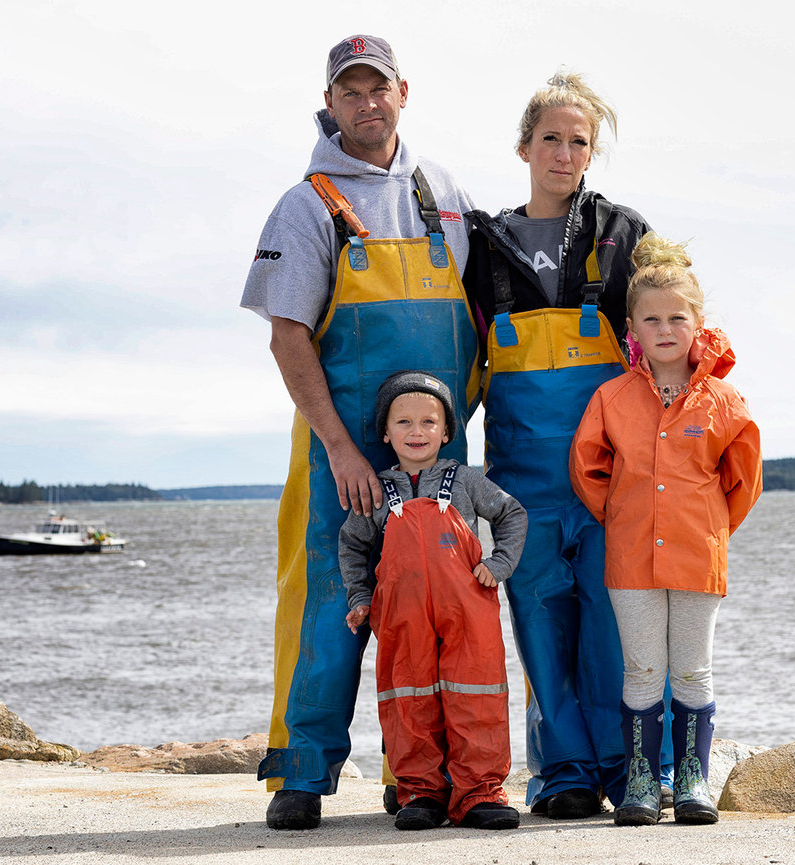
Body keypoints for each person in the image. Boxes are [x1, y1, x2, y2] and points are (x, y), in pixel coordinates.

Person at [240, 34, 480, 831]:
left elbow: (477, 315)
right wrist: (341, 448)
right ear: (330, 102)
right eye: (350, 90)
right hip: (338, 451)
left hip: (437, 451)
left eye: (378, 87)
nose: (366, 102)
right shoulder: (305, 204)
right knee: (326, 605)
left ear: (403, 92)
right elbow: (287, 337)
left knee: (431, 609)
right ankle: (301, 771)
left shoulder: (443, 192)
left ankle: (417, 776)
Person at [462, 71, 656, 818]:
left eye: (579, 142)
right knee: (540, 623)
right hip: (520, 483)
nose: (564, 153)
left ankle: (631, 770)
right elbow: (459, 359)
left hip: (611, 476)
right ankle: (563, 773)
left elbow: (669, 332)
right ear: (523, 147)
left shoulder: (623, 234)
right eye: (551, 138)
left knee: (612, 624)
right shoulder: (482, 246)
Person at [570, 232, 763, 826]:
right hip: (630, 558)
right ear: (631, 327)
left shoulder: (724, 402)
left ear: (698, 323)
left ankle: (692, 781)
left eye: (677, 317)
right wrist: (624, 517)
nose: (665, 329)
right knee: (642, 670)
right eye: (651, 319)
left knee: (693, 669)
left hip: (698, 557)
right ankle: (641, 782)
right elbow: (588, 469)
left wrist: (709, 529)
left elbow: (744, 481)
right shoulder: (612, 398)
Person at [340, 371, 527, 831]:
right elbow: (352, 545)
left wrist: (500, 564)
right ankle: (421, 793)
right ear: (386, 432)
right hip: (402, 618)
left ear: (446, 432)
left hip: (468, 611)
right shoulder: (377, 490)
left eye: (428, 421)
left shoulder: (465, 481)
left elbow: (511, 513)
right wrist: (361, 596)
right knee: (409, 700)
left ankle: (480, 792)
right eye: (403, 422)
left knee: (476, 696)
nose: (417, 431)